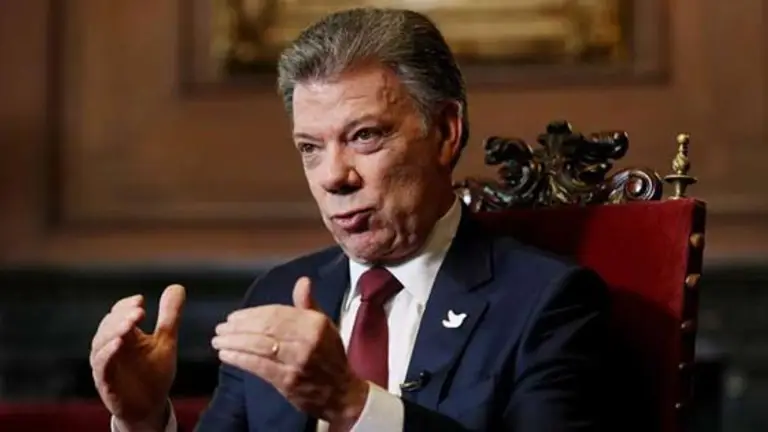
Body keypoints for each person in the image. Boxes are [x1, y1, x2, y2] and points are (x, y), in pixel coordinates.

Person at [90, 7, 609, 432]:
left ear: (445, 133)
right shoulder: (276, 295)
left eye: (364, 136)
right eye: (310, 148)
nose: (334, 177)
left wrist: (352, 406)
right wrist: (143, 421)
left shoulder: (544, 303)